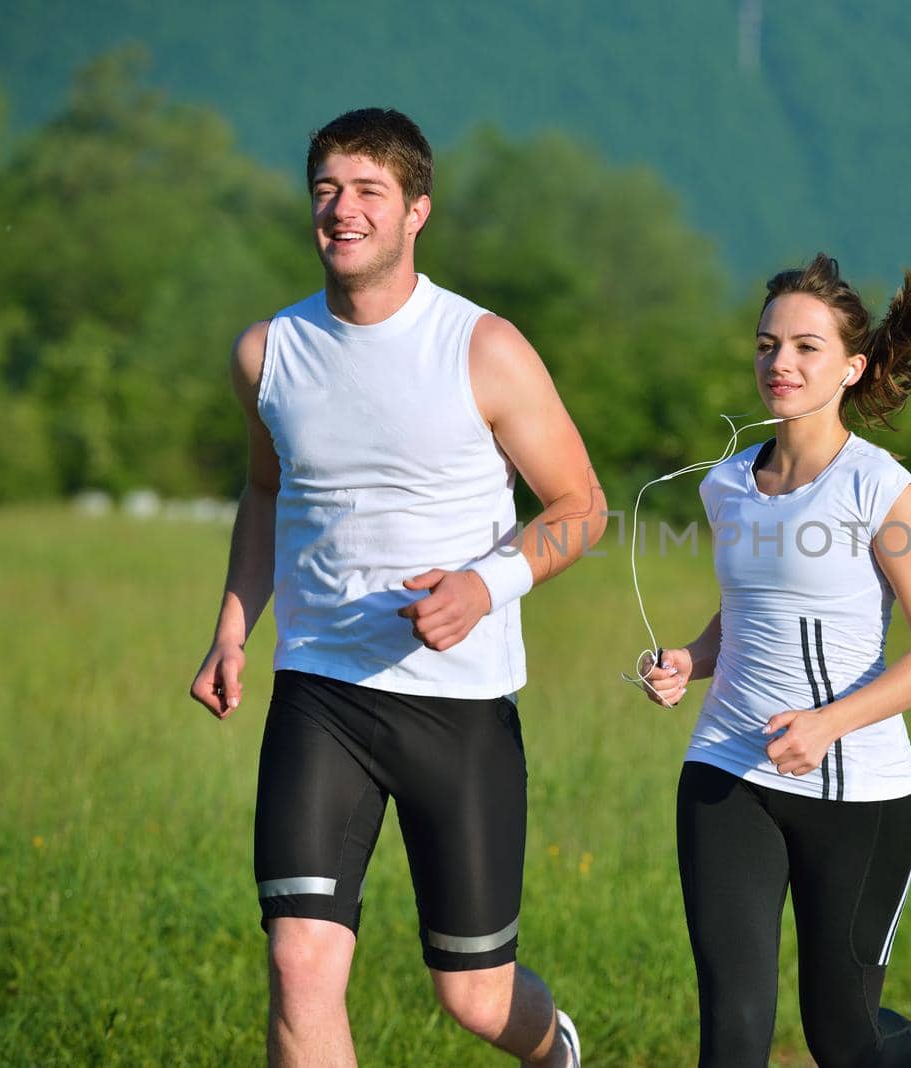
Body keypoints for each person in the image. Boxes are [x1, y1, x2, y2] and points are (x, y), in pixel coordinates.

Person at [188, 108, 601, 1068]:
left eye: (368, 190)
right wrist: (233, 628)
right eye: (327, 189)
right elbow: (264, 489)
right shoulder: (267, 354)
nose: (343, 210)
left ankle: (556, 1051)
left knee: (473, 994)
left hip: (456, 708)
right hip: (319, 691)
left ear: (417, 210)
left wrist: (485, 586)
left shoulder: (482, 346)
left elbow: (581, 504)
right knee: (299, 963)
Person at [638, 251, 911, 1067]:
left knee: (844, 1043)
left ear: (853, 367)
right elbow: (751, 612)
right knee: (733, 1037)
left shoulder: (883, 488)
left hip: (855, 789)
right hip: (726, 769)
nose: (778, 363)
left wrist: (828, 723)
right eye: (765, 345)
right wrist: (691, 657)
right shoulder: (725, 487)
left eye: (805, 347)